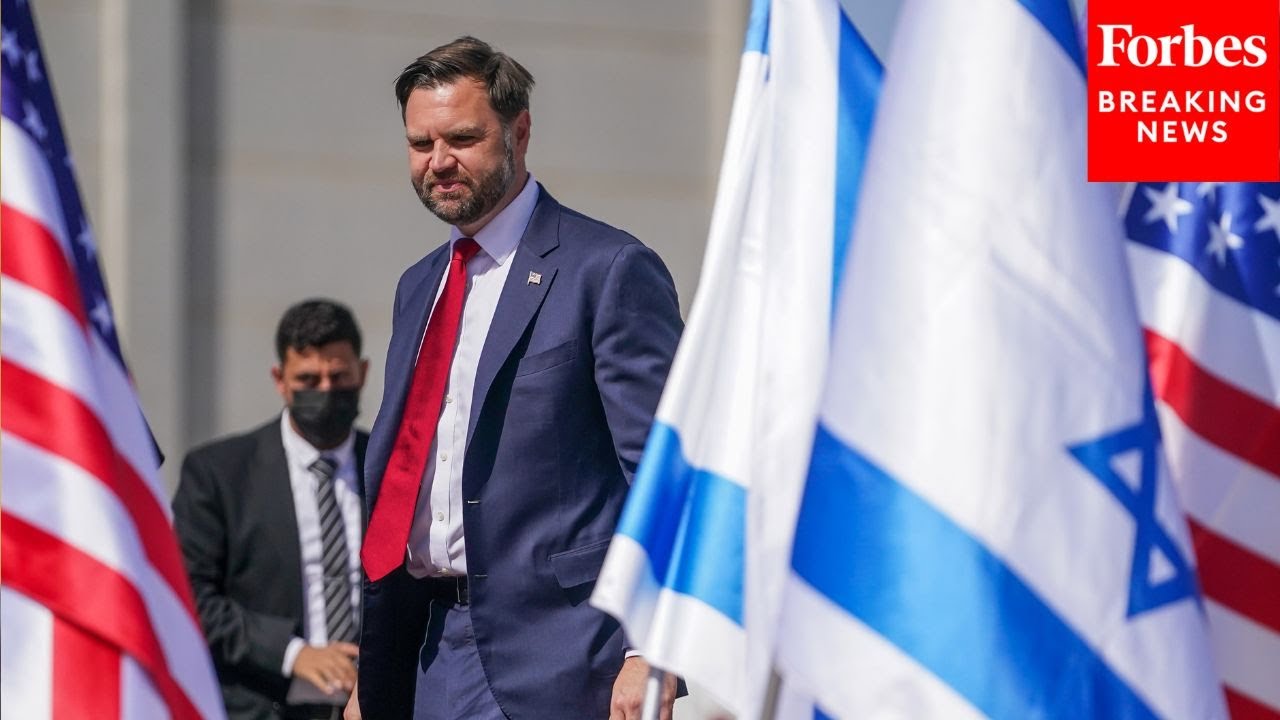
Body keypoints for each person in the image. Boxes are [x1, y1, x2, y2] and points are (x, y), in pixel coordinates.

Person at [351, 36, 684, 720]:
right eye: (420, 143)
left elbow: (662, 474)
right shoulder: (419, 286)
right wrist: (373, 671)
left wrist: (653, 649)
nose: (439, 161)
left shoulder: (607, 269)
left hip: (564, 659)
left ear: (519, 131)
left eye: (462, 138)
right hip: (429, 653)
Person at [174, 299, 371, 720]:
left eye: (338, 377)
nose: (325, 391)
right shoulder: (219, 473)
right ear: (280, 380)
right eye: (308, 379)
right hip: (262, 704)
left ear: (362, 374)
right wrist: (292, 653)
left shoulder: (393, 468)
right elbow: (188, 594)